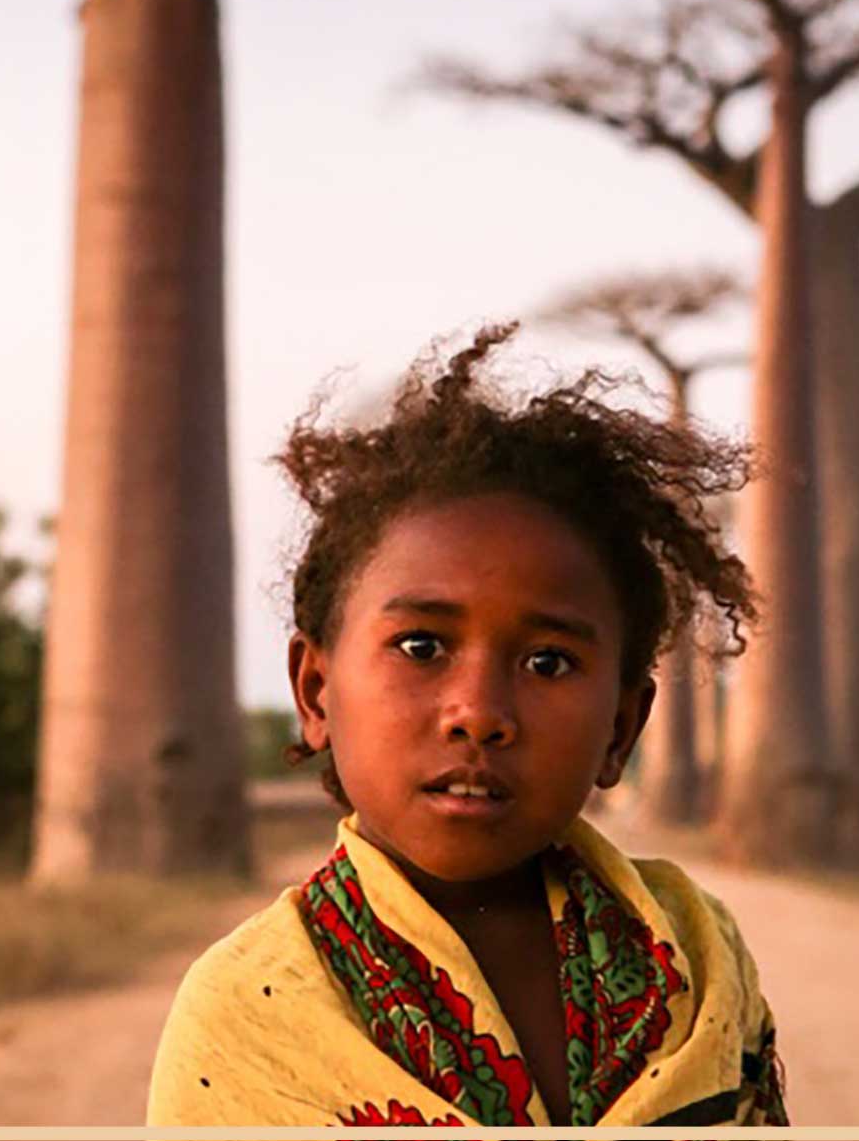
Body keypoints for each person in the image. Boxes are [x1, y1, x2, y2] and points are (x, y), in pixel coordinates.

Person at [147, 324, 789, 1127]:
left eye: (549, 662)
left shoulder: (697, 950)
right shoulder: (244, 1013)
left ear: (622, 727)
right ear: (316, 691)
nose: (480, 713)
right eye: (422, 646)